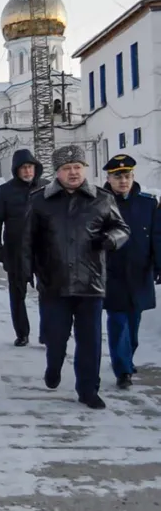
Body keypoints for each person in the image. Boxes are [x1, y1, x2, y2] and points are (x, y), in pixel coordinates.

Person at [19, 145, 130, 409]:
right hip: (53, 282)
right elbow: (26, 241)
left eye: (77, 167)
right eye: (67, 168)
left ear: (85, 169)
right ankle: (54, 365)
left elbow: (121, 228)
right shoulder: (39, 200)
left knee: (89, 341)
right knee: (55, 337)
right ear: (57, 172)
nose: (73, 173)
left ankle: (88, 389)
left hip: (90, 282)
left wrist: (110, 239)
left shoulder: (102, 199)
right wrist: (26, 272)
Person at [101, 155, 161, 389]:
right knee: (117, 322)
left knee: (133, 323)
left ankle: (127, 356)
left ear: (133, 177)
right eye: (118, 177)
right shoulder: (100, 202)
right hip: (112, 272)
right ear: (109, 179)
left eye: (127, 176)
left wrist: (159, 265)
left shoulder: (148, 203)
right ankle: (122, 370)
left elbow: (157, 236)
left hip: (139, 272)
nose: (123, 181)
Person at [0, 149, 50, 347]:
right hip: (15, 248)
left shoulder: (46, 188)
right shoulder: (5, 191)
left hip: (42, 249)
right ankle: (22, 333)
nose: (27, 171)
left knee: (47, 292)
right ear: (16, 170)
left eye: (30, 167)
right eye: (23, 168)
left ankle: (46, 333)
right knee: (17, 294)